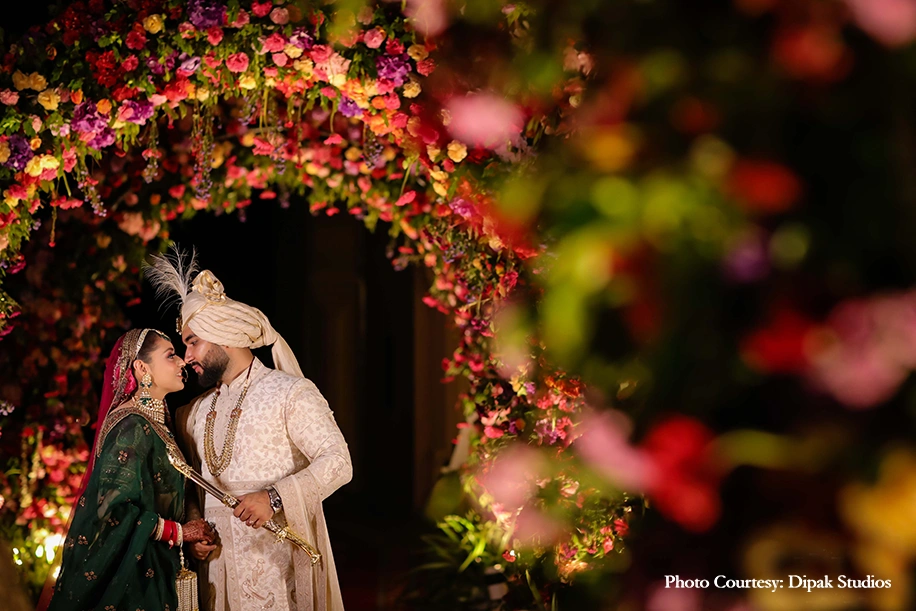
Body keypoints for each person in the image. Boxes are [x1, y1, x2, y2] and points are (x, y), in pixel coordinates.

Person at [146, 248, 352, 611]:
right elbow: (193, 489)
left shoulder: (290, 392)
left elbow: (338, 463)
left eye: (193, 341)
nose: (187, 356)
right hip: (215, 580)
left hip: (276, 573)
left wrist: (273, 498)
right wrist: (194, 529)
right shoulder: (193, 412)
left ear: (224, 334)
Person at [45, 328, 216, 611]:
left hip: (157, 564)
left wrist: (191, 532)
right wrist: (180, 533)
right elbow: (112, 512)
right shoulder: (131, 426)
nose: (182, 362)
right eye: (170, 355)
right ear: (141, 368)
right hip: (134, 579)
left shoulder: (158, 424)